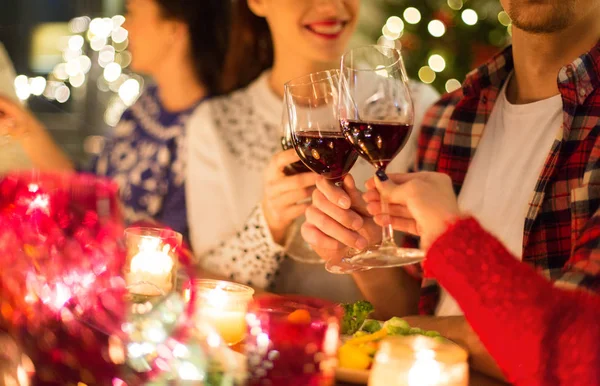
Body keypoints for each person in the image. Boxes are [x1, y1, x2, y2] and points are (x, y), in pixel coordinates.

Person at [301, 0, 600, 379]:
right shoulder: (449, 116)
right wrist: (365, 247)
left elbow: (582, 356)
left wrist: (451, 237)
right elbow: (423, 306)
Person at [185, 0, 439, 301]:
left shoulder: (412, 106)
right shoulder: (215, 125)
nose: (331, 5)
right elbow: (209, 288)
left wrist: (363, 249)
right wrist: (268, 225)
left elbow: (425, 305)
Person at [0, 0, 230, 235]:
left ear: (174, 30)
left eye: (132, 14)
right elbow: (88, 189)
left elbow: (176, 246)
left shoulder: (206, 129)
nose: (125, 27)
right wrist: (23, 127)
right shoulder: (144, 106)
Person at [362, 172, 600, 386]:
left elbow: (572, 353)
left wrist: (451, 239)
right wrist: (364, 246)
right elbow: (413, 306)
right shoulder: (446, 123)